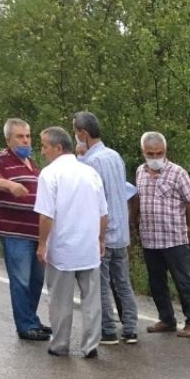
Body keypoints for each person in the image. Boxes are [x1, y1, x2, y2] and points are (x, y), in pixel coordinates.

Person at [34, 127, 108, 359]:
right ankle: (90, 345)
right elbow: (103, 213)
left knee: (60, 299)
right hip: (88, 247)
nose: (42, 151)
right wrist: (101, 239)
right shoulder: (90, 172)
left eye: (44, 146)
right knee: (91, 299)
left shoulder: (49, 174)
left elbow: (46, 216)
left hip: (63, 248)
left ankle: (60, 344)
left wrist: (42, 244)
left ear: (58, 147)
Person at [72, 111, 139, 345]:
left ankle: (108, 330)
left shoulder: (91, 162)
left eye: (76, 132)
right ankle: (130, 329)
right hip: (121, 232)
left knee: (100, 285)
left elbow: (88, 195)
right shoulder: (114, 156)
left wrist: (79, 158)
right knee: (123, 284)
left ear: (83, 133)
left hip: (102, 233)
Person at [0, 118, 50, 341]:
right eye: (20, 136)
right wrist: (9, 185)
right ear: (8, 139)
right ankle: (25, 326)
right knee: (21, 280)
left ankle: (31, 319)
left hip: (36, 232)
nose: (26, 140)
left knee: (36, 280)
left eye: (28, 136)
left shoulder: (31, 161)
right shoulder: (2, 159)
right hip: (15, 232)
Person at [133, 131, 190, 338]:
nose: (155, 157)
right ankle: (167, 319)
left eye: (159, 153)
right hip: (150, 238)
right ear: (143, 152)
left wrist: (187, 224)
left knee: (183, 282)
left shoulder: (178, 173)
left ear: (165, 151)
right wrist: (134, 221)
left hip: (174, 238)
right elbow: (137, 200)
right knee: (156, 282)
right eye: (150, 153)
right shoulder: (140, 172)